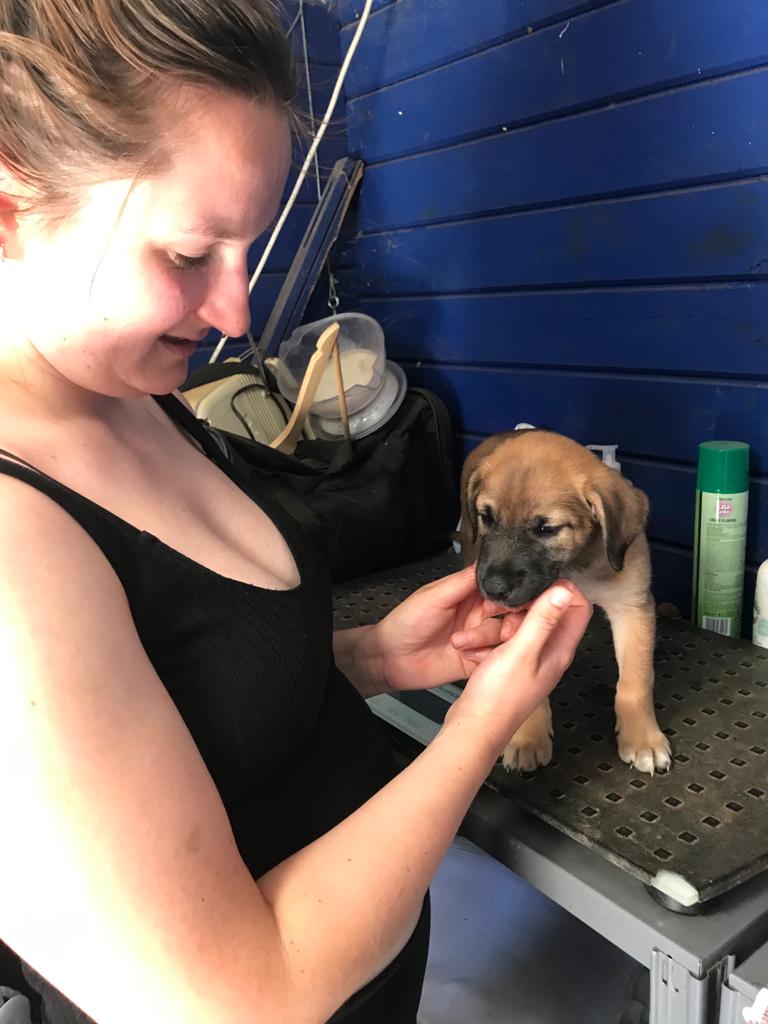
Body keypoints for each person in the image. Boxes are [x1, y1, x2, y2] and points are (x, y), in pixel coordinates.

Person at [0, 2, 593, 1022]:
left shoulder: (138, 394)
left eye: (251, 246)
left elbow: (189, 700)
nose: (236, 314)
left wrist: (368, 658)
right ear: (10, 210)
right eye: (188, 254)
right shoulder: (15, 541)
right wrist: (483, 723)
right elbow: (243, 1000)